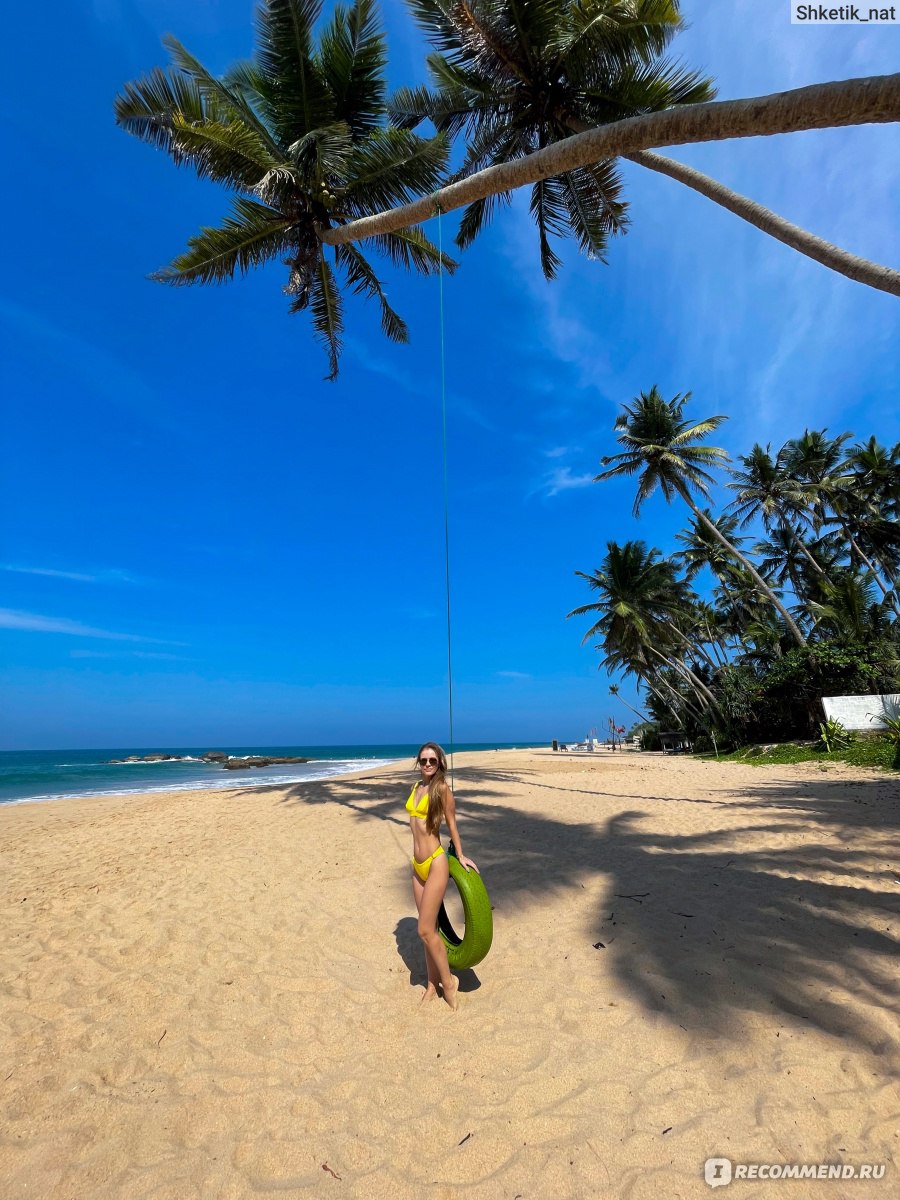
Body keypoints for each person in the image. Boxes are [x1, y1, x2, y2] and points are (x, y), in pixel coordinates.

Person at [406, 742, 478, 1009]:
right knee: (430, 930)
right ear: (418, 762)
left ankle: (449, 983)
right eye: (423, 760)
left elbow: (452, 823)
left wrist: (460, 855)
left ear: (440, 764)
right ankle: (431, 985)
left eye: (432, 761)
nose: (427, 765)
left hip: (436, 863)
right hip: (417, 866)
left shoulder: (442, 790)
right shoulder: (415, 788)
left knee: (423, 930)